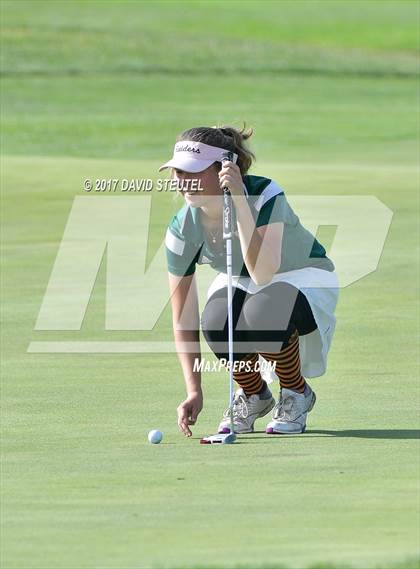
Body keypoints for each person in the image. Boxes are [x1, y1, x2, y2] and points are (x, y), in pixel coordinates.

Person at [160, 125, 339, 438]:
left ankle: (296, 393)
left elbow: (263, 273)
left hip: (304, 276)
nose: (183, 181)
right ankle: (254, 395)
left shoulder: (266, 195)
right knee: (215, 320)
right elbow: (182, 316)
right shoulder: (181, 227)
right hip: (244, 278)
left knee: (263, 313)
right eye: (177, 171)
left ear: (225, 170)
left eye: (194, 171)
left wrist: (240, 200)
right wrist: (194, 390)